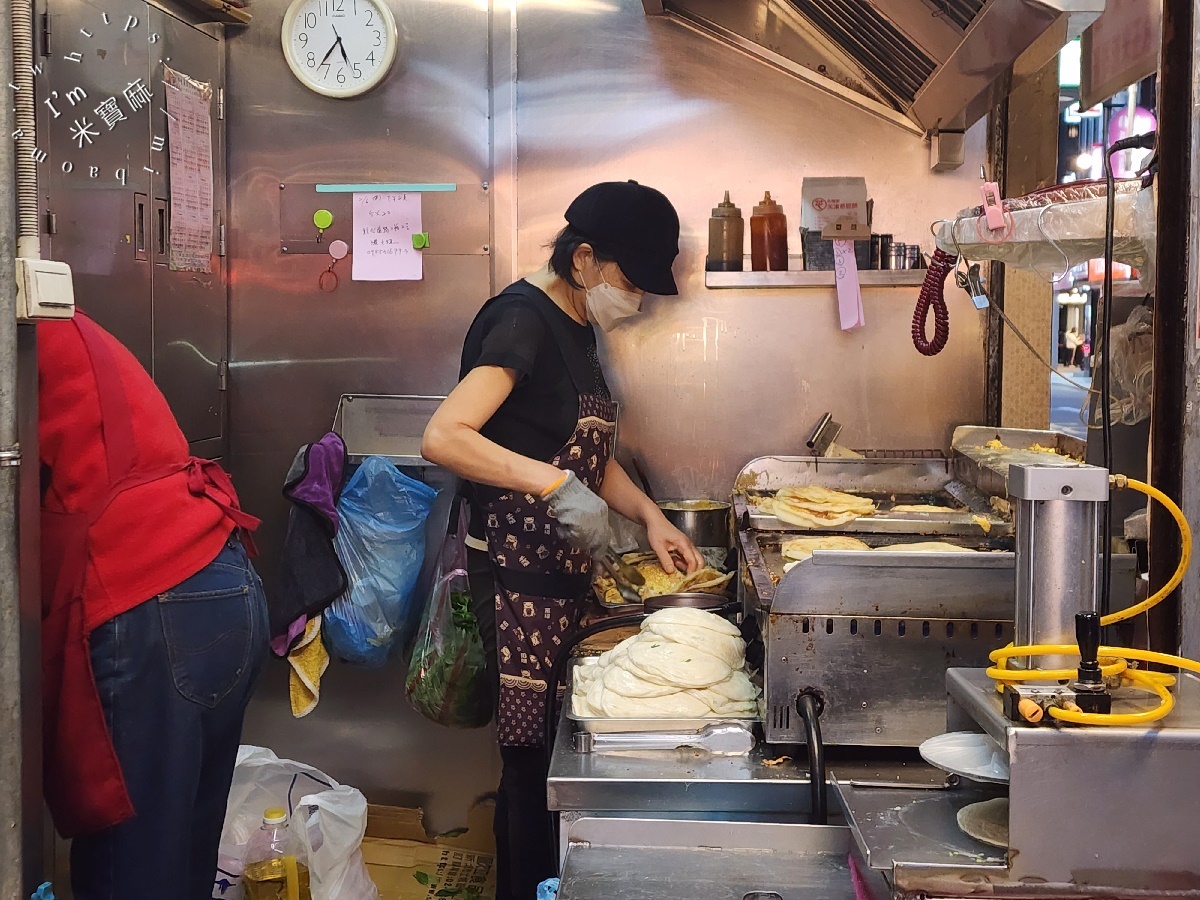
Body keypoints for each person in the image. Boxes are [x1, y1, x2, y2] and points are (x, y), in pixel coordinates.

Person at [421, 180, 703, 900]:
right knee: (529, 774)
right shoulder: (519, 322)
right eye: (631, 281)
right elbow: (444, 437)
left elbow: (582, 451)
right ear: (585, 260)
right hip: (515, 585)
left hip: (559, 583)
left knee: (556, 765)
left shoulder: (574, 322)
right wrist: (552, 488)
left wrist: (650, 516)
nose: (635, 300)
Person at [38, 311, 268, 900]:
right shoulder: (60, 322)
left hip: (154, 603)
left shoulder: (25, 325)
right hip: (218, 576)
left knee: (132, 870)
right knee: (179, 857)